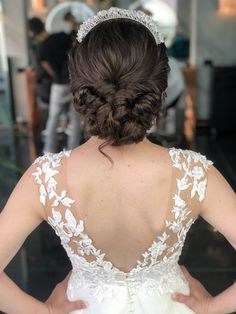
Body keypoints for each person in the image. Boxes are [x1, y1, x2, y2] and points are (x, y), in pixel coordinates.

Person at [0, 7, 235, 314]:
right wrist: (212, 307)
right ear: (159, 87)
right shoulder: (196, 173)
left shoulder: (44, 177)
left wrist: (43, 312)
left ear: (79, 87)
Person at [32, 19, 81, 153]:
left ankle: (48, 148)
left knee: (53, 117)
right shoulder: (60, 36)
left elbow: (46, 66)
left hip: (59, 84)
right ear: (43, 25)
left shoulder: (41, 48)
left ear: (33, 33)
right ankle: (73, 148)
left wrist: (56, 75)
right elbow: (74, 46)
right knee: (75, 117)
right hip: (74, 81)